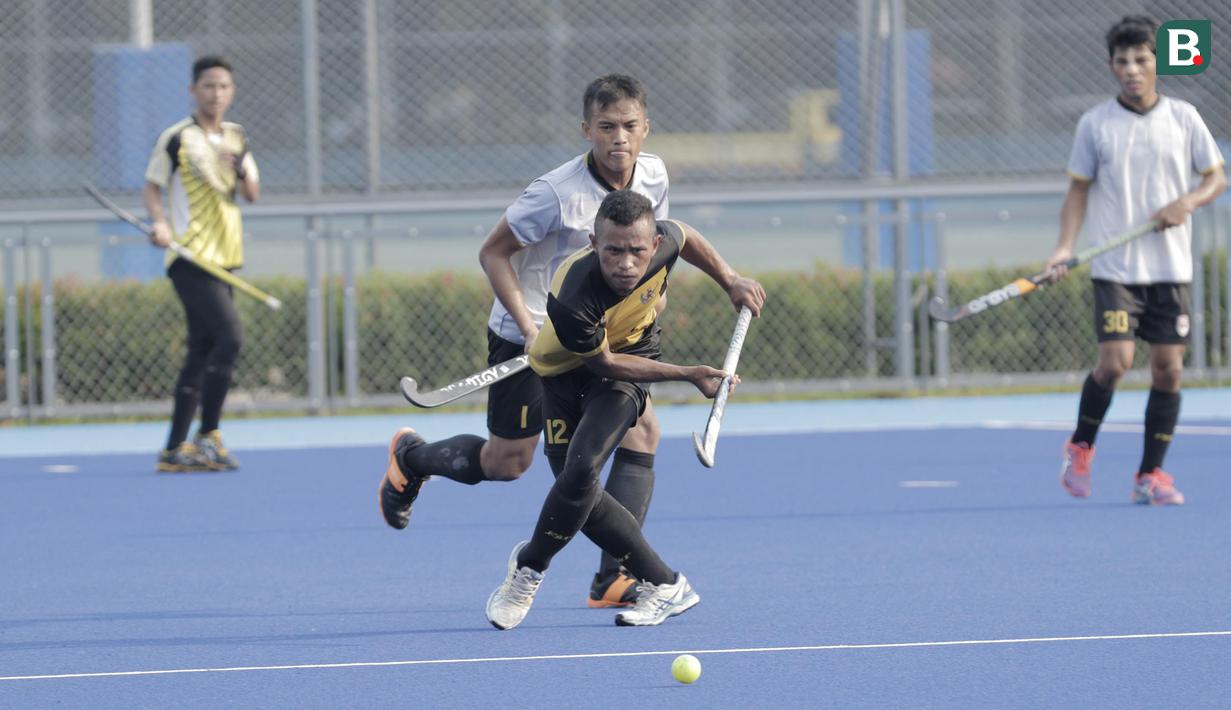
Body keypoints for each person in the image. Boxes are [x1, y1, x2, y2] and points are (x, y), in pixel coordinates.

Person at [379, 75, 671, 607]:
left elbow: (654, 248)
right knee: (510, 462)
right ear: (587, 130)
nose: (619, 139)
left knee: (642, 431)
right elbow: (494, 253)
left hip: (597, 335)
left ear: (646, 128)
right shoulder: (555, 194)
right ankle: (413, 459)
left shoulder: (653, 175)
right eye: (606, 127)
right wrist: (533, 327)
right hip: (529, 335)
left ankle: (614, 579)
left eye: (629, 126)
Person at [481, 190, 765, 629]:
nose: (626, 264)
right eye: (613, 250)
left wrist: (731, 280)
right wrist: (689, 374)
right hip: (564, 375)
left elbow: (686, 235)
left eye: (637, 251)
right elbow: (604, 361)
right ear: (594, 244)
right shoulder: (575, 292)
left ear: (653, 246)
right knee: (576, 490)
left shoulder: (663, 243)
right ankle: (666, 584)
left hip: (624, 377)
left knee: (579, 472)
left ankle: (530, 567)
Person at [1046, 16, 1225, 504]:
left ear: (1157, 63)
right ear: (1111, 66)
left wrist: (1185, 203)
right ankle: (1081, 445)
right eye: (1122, 61)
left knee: (1168, 370)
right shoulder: (1096, 124)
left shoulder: (1184, 118)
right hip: (1117, 269)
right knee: (1117, 362)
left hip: (1169, 268)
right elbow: (1077, 192)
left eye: (1141, 60)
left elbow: (1216, 178)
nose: (1132, 69)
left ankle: (1150, 476)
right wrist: (1064, 248)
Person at [143, 55, 260, 472]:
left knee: (201, 350)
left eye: (224, 86)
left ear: (232, 92)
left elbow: (252, 194)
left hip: (226, 259)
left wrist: (241, 166)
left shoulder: (236, 136)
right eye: (209, 86)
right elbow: (153, 186)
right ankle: (209, 434)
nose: (217, 94)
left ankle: (174, 448)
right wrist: (159, 224)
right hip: (191, 258)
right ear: (194, 90)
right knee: (230, 336)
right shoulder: (176, 138)